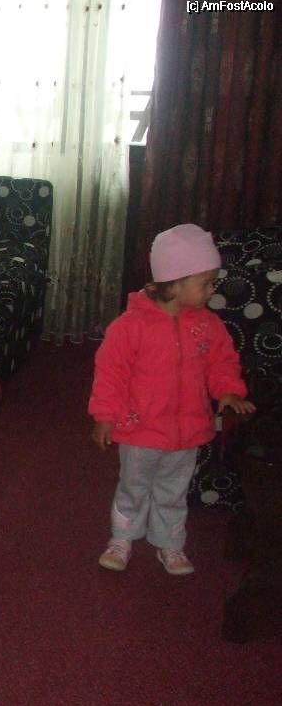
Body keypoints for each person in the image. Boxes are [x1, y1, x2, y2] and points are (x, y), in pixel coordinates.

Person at [88, 224, 255, 575]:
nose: (212, 290)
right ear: (176, 282)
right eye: (205, 282)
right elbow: (110, 373)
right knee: (133, 488)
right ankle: (122, 538)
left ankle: (170, 543)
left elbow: (222, 362)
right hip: (140, 430)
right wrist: (104, 415)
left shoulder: (208, 325)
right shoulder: (130, 326)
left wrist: (228, 390)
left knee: (173, 492)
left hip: (187, 431)